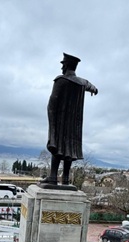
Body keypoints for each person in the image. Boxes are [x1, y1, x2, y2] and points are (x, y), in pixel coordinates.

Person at [41, 53, 98, 186]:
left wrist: (52, 122)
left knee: (58, 146)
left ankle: (53, 177)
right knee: (69, 149)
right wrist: (94, 90)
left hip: (61, 122)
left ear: (66, 66)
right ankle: (65, 178)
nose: (62, 68)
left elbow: (52, 103)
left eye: (63, 65)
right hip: (74, 125)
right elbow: (91, 86)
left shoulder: (61, 81)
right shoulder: (82, 83)